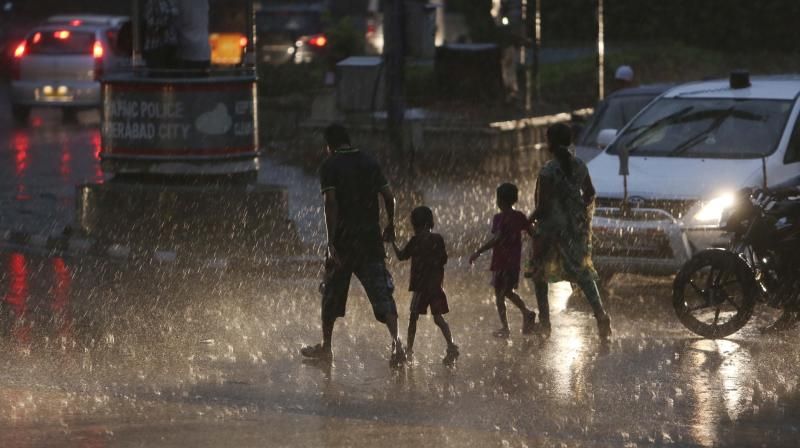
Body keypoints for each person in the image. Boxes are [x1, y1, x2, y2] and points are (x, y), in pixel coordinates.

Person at [301, 124, 405, 366]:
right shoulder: (369, 161)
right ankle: (397, 344)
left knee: (331, 295)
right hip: (370, 241)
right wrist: (391, 224)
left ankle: (327, 349)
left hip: (344, 244)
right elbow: (389, 197)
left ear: (329, 145)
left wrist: (330, 242)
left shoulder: (329, 166)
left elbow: (330, 204)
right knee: (382, 294)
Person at [526, 123, 611, 341]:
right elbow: (590, 193)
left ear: (550, 142)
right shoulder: (580, 165)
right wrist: (577, 210)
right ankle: (601, 315)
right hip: (576, 227)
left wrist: (528, 221)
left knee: (539, 274)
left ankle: (545, 324)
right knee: (582, 272)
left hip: (552, 230)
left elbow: (543, 208)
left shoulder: (547, 172)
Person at [391, 206, 459, 365]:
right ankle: (451, 345)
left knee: (413, 319)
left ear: (414, 225)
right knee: (438, 318)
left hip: (421, 289)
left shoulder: (415, 241)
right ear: (430, 223)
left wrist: (393, 242)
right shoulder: (437, 239)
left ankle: (409, 351)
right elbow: (443, 259)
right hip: (436, 287)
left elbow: (401, 256)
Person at [469, 183, 537, 338]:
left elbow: (497, 239)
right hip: (510, 262)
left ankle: (512, 323)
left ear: (500, 200)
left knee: (501, 295)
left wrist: (478, 251)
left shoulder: (499, 218)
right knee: (505, 293)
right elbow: (533, 233)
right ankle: (524, 315)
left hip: (502, 262)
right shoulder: (519, 216)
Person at [175, 0, 211, 73]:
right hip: (204, 49)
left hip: (186, 50)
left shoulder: (180, 2)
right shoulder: (204, 2)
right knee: (202, 81)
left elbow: (176, 23)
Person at [142, 0, 178, 70]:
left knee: (170, 72)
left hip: (171, 43)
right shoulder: (152, 2)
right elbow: (149, 22)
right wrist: (161, 27)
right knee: (158, 72)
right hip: (156, 46)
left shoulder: (171, 2)